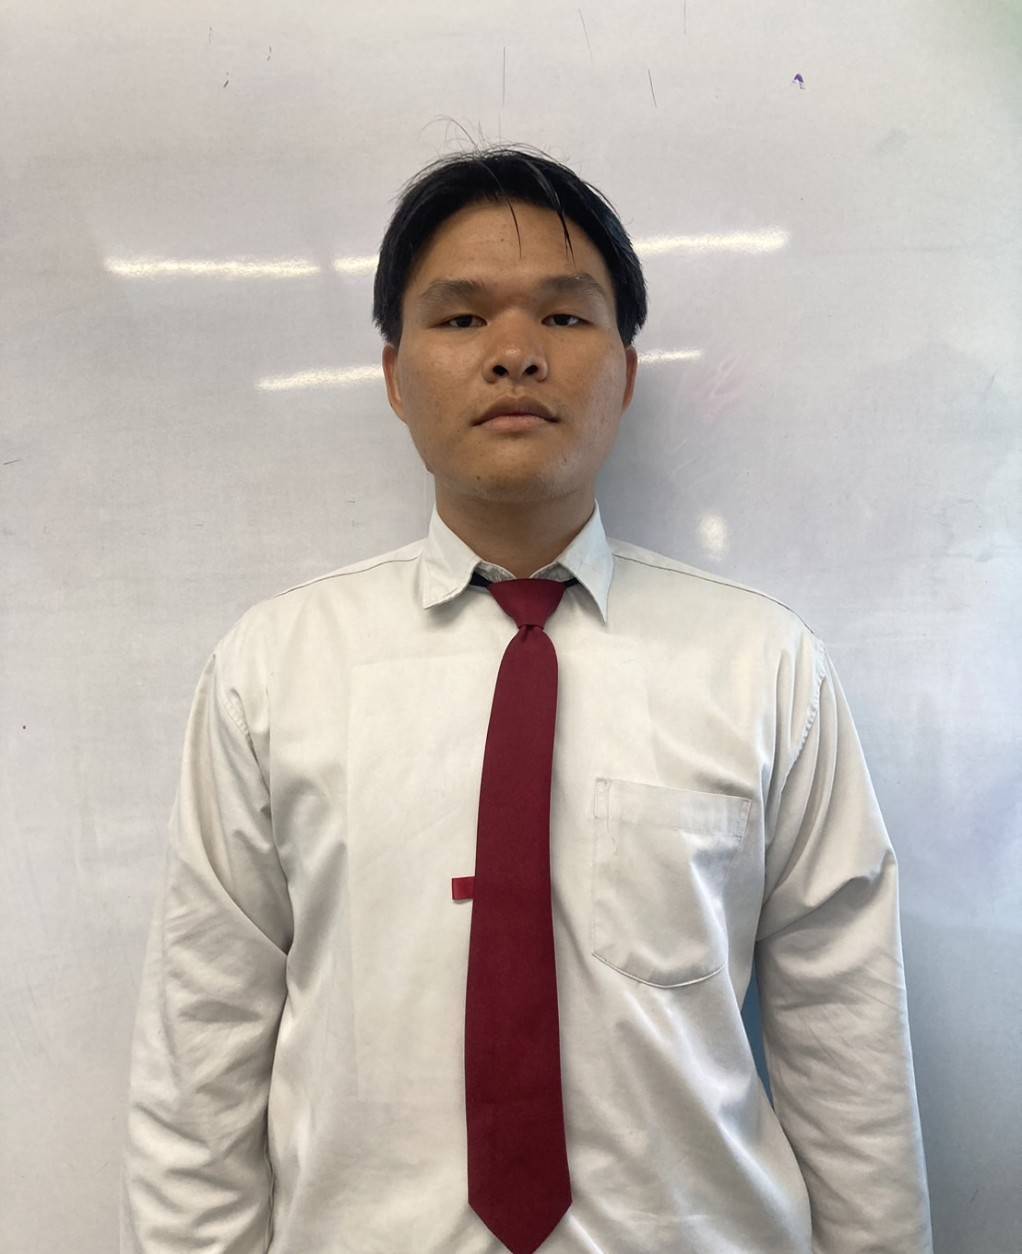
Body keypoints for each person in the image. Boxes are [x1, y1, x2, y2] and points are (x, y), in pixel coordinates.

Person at [119, 143, 933, 1253]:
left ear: (626, 373)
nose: (514, 353)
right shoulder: (272, 672)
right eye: (461, 319)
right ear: (395, 375)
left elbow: (849, 1056)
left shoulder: (764, 668)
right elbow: (198, 1062)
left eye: (563, 316)